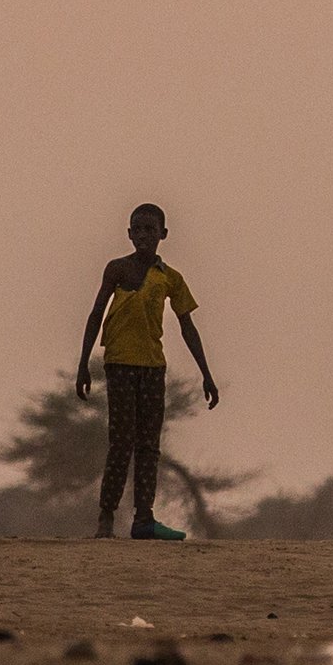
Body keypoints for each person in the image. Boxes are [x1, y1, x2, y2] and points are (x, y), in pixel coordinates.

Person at [75, 203, 219, 540]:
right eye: (137, 229)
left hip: (153, 367)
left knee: (149, 446)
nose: (143, 235)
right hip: (120, 364)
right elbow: (96, 315)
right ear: (128, 233)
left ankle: (144, 520)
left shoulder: (170, 278)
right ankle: (106, 518)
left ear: (163, 235)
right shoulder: (117, 270)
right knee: (121, 441)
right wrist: (83, 364)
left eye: (150, 230)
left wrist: (206, 374)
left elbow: (188, 327)